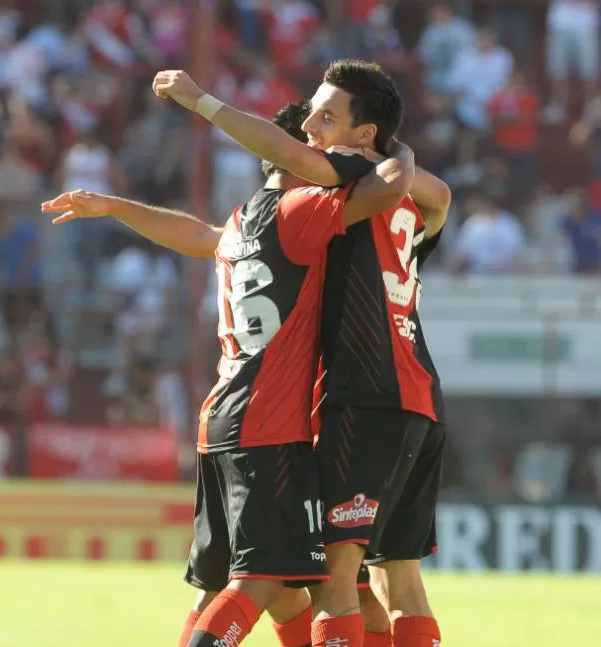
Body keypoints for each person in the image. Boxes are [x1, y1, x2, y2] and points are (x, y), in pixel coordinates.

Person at [43, 97, 417, 647]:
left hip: (220, 420)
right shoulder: (299, 211)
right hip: (271, 425)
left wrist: (114, 206)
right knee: (262, 582)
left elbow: (195, 234)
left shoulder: (244, 222)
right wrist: (398, 150)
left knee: (267, 586)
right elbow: (388, 190)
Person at [153, 59, 450, 647]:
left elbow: (292, 160)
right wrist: (399, 155)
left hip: (364, 397)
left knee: (327, 580)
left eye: (326, 116)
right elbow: (439, 197)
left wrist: (202, 101)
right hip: (420, 397)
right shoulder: (405, 196)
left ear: (363, 135)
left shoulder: (336, 181)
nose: (311, 125)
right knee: (392, 582)